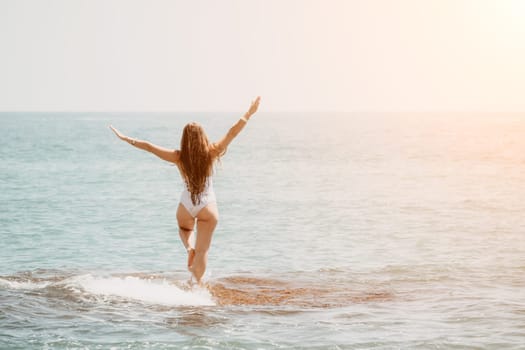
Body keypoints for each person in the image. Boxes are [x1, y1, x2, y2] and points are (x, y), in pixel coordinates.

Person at [110, 96, 261, 285]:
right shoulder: (212, 152)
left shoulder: (178, 157)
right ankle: (197, 286)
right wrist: (249, 113)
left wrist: (125, 139)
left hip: (186, 205)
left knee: (184, 228)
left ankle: (189, 247)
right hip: (208, 206)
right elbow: (232, 133)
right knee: (203, 251)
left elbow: (149, 147)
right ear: (202, 137)